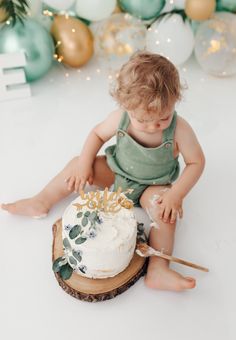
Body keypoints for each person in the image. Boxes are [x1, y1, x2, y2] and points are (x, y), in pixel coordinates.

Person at [1, 51, 205, 292]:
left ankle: (158, 269)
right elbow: (97, 134)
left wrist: (176, 194)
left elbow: (197, 162)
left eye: (162, 118)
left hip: (154, 186)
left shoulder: (179, 129)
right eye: (143, 120)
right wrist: (84, 164)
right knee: (76, 163)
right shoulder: (121, 117)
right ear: (125, 106)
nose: (152, 126)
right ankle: (41, 201)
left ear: (175, 101)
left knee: (165, 215)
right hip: (116, 172)